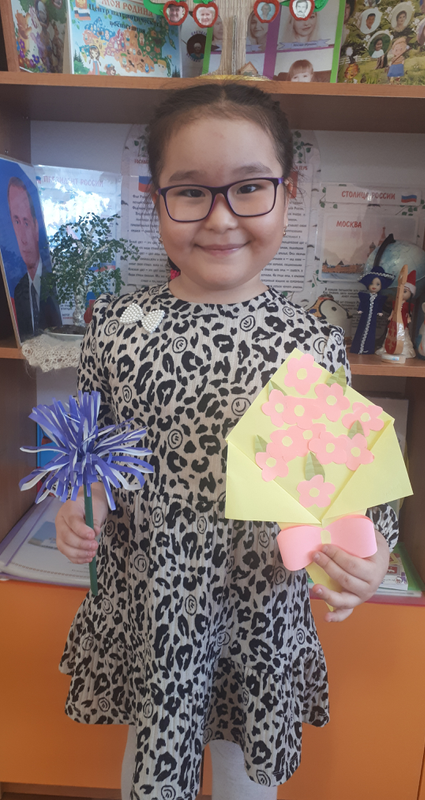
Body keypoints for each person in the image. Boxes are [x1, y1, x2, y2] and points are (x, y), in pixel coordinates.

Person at [55, 83, 396, 800]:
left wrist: (370, 557)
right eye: (190, 192)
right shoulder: (115, 329)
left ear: (287, 194)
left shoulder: (310, 341)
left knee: (247, 775)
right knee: (152, 758)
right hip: (155, 605)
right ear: (155, 199)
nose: (220, 217)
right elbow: (93, 454)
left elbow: (347, 486)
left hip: (259, 612)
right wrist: (80, 508)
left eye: (248, 188)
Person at [7, 176, 61, 341]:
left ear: (36, 227)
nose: (23, 238)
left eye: (26, 222)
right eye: (16, 222)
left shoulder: (54, 283)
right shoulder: (19, 290)